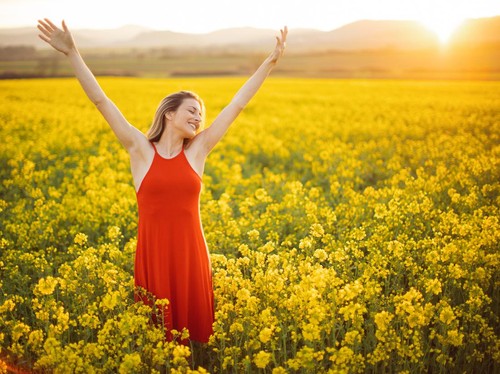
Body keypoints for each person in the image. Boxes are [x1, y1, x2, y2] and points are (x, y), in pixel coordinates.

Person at [37, 18, 287, 344]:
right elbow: (102, 102)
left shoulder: (198, 151)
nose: (199, 117)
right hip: (154, 253)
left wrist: (269, 63)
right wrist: (72, 52)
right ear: (169, 113)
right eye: (192, 111)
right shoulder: (140, 150)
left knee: (193, 341)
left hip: (191, 252)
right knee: (157, 339)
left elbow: (237, 105)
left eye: (201, 113)